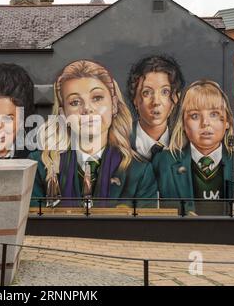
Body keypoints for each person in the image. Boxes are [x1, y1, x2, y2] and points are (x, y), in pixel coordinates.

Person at [29, 60, 158, 208]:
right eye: (75, 102)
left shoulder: (139, 172)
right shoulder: (39, 166)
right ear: (63, 114)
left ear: (114, 105)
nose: (87, 109)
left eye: (97, 98)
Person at [152, 80, 234, 214]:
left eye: (213, 114)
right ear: (183, 124)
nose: (205, 123)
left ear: (227, 122)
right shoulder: (163, 162)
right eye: (195, 116)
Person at [127, 55, 185, 161]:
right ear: (135, 98)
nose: (156, 102)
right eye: (147, 92)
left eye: (165, 92)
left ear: (176, 97)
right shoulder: (119, 143)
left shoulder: (186, 145)